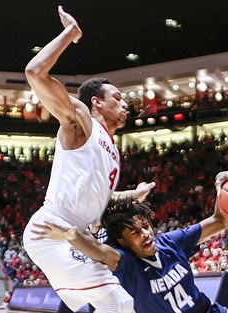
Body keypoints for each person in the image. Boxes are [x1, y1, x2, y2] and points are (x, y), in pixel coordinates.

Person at [22, 6, 155, 313]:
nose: (125, 106)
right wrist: (70, 33)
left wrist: (134, 193)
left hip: (75, 235)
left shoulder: (112, 148)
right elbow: (34, 72)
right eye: (117, 99)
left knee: (104, 300)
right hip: (53, 230)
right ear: (96, 102)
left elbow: (101, 197)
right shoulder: (82, 121)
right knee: (119, 302)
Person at [31, 170, 228, 313]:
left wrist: (223, 185)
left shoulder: (171, 242)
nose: (146, 234)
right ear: (121, 240)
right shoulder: (126, 263)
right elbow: (98, 251)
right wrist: (70, 235)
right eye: (136, 232)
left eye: (146, 227)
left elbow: (219, 221)